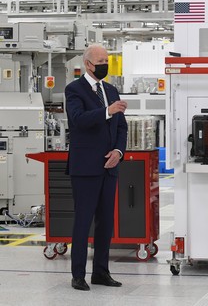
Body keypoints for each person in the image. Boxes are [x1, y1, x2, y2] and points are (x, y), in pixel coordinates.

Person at [65, 44, 128, 291]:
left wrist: (119, 152)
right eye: (101, 60)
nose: (105, 64)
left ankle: (101, 272)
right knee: (83, 221)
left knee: (105, 222)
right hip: (85, 167)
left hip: (109, 166)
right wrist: (107, 111)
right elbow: (78, 121)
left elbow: (121, 127)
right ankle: (78, 274)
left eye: (107, 60)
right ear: (88, 64)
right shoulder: (74, 90)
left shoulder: (111, 89)